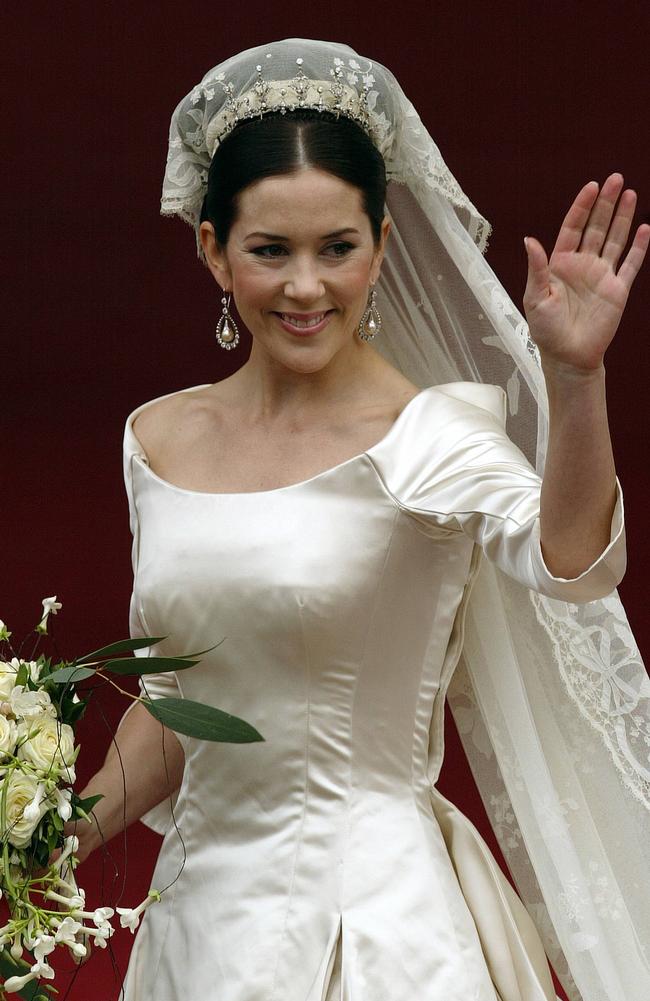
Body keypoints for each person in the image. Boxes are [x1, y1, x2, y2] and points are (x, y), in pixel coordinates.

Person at [69, 39, 649, 1001]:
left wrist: (576, 379)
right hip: (196, 932)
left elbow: (576, 564)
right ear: (214, 249)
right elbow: (181, 704)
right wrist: (48, 839)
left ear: (381, 244)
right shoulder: (157, 439)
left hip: (376, 934)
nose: (307, 288)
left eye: (338, 248)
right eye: (270, 251)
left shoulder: (429, 436)